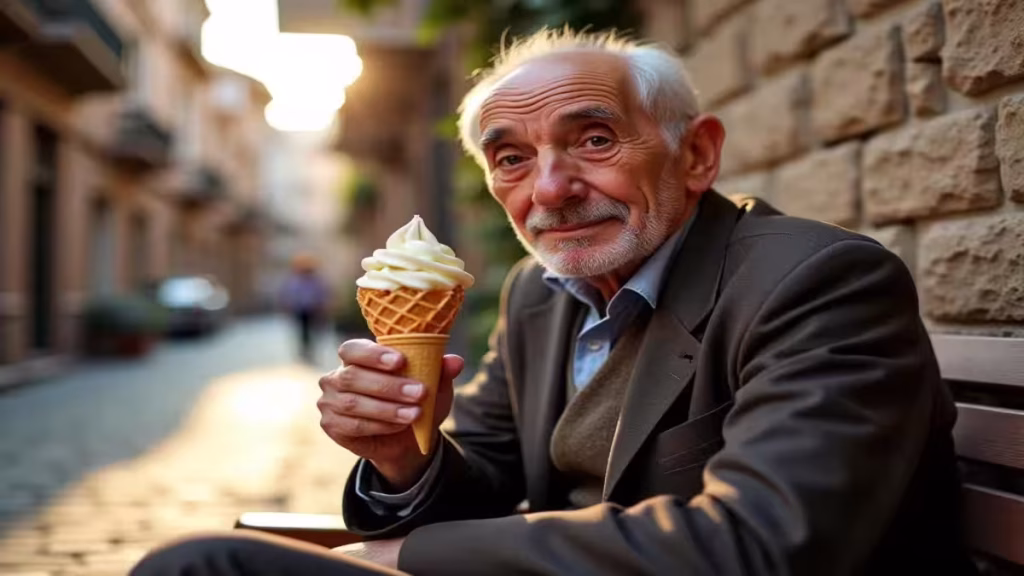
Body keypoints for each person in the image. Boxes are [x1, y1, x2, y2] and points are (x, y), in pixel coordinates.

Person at [132, 29, 976, 575]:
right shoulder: (543, 295)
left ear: (696, 155)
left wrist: (413, 553)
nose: (553, 190)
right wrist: (404, 457)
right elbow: (491, 474)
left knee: (206, 569)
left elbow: (763, 546)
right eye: (510, 158)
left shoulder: (818, 281)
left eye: (595, 140)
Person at [279, 254, 329, 362]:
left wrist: (322, 305)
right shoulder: (295, 280)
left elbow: (322, 293)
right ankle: (305, 350)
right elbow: (288, 294)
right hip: (300, 309)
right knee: (303, 331)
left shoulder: (315, 280)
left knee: (313, 330)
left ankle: (310, 349)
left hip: (313, 309)